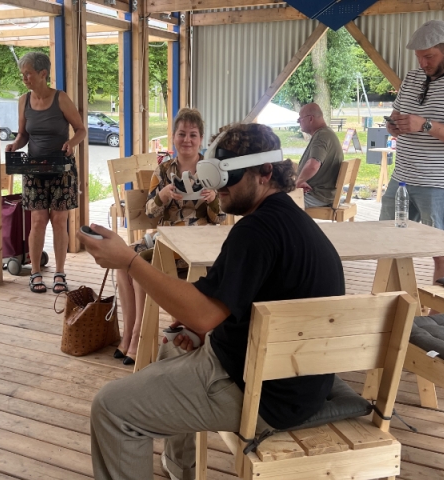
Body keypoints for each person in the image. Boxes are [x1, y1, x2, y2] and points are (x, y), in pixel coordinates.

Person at [79, 123, 345, 480]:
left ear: (266, 172)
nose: (218, 186)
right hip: (296, 382)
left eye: (228, 175)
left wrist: (128, 261)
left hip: (262, 394)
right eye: (213, 174)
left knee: (111, 408)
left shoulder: (255, 231)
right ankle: (180, 467)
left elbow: (203, 314)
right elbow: (228, 305)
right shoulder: (290, 220)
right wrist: (205, 328)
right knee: (174, 344)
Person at [114, 108, 224, 366]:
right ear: (173, 137)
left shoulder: (211, 170)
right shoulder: (163, 170)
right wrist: (162, 196)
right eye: (181, 134)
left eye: (193, 134)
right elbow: (150, 214)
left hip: (197, 247)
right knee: (122, 262)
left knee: (140, 264)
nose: (187, 139)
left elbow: (219, 219)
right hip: (166, 240)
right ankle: (129, 335)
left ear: (201, 138)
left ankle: (139, 337)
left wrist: (213, 199)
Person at [383, 20, 444, 282]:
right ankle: (395, 302)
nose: (423, 63)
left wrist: (426, 125)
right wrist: (394, 125)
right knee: (387, 244)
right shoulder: (412, 77)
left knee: (442, 251)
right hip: (402, 179)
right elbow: (397, 113)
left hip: (441, 185)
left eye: (429, 57)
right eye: (419, 57)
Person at [6, 52, 86, 294]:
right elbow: (23, 135)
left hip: (62, 169)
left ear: (43, 74)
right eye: (22, 74)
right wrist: (15, 145)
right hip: (34, 169)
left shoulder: (61, 98)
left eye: (28, 74)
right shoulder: (24, 101)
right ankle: (35, 272)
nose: (24, 78)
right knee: (38, 220)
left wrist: (71, 143)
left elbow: (80, 129)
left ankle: (60, 273)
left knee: (59, 221)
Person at [295, 102, 344, 208]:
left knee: (275, 204)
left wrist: (298, 182)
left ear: (310, 119)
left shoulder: (322, 136)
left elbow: (313, 165)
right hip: (322, 194)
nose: (298, 121)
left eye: (300, 118)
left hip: (317, 195)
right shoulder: (325, 133)